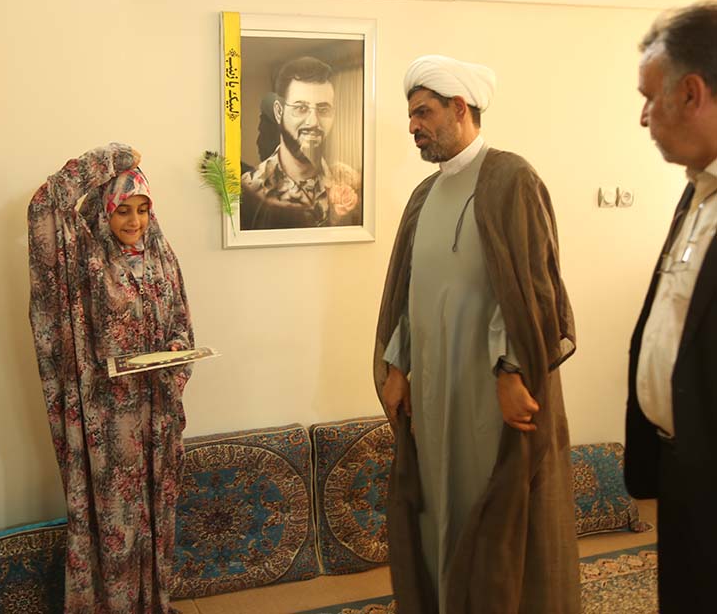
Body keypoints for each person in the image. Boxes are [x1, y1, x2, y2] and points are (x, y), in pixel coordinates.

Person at [373, 56, 579, 613]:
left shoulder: (510, 178)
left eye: (423, 113)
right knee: (436, 511)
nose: (412, 126)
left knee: (487, 512)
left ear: (459, 108)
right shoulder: (424, 195)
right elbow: (408, 294)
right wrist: (397, 366)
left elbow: (534, 286)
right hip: (434, 396)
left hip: (488, 397)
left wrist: (513, 372)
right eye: (411, 115)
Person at [27, 143, 194, 613]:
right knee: (115, 524)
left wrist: (177, 349)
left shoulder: (162, 257)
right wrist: (112, 157)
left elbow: (181, 322)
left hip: (158, 418)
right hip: (108, 424)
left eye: (142, 209)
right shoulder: (84, 259)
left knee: (157, 517)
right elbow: (44, 205)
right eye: (123, 209)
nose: (135, 221)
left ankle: (152, 605)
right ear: (105, 210)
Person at [627, 1, 717, 613]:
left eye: (649, 97)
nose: (643, 117)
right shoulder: (696, 192)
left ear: (691, 93)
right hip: (683, 470)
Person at [241, 56, 361, 229]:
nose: (313, 122)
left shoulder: (348, 181)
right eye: (301, 108)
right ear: (279, 112)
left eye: (323, 109)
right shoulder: (249, 189)